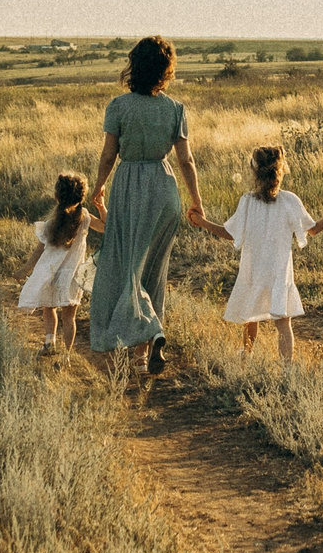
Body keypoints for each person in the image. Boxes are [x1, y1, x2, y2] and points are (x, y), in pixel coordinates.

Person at [84, 35, 209, 376]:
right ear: (166, 70)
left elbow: (108, 155)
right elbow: (186, 161)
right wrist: (196, 201)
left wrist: (99, 186)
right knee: (154, 269)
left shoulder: (118, 106)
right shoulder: (175, 109)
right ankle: (142, 355)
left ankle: (152, 330)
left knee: (128, 267)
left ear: (134, 66)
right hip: (164, 189)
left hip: (130, 187)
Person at [207, 144, 323, 365]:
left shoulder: (247, 201)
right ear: (281, 171)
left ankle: (246, 357)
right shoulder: (289, 200)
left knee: (250, 318)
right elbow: (314, 229)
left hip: (254, 271)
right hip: (279, 273)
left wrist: (202, 222)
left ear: (255, 172)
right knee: (283, 324)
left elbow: (229, 233)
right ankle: (286, 369)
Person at [18, 173, 95, 354]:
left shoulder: (52, 223)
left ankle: (49, 343)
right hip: (73, 275)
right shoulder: (84, 217)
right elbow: (106, 227)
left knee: (49, 307)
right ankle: (66, 355)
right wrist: (101, 206)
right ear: (81, 197)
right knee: (69, 317)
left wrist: (25, 269)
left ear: (56, 196)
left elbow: (38, 251)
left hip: (52, 272)